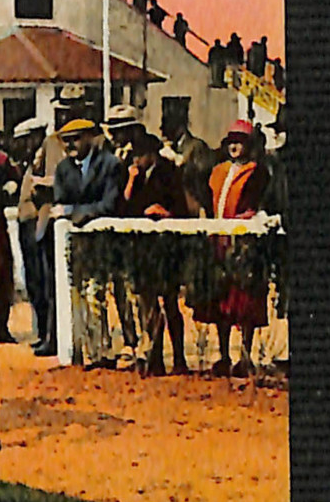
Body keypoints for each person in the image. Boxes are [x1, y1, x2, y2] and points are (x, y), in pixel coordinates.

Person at [49, 119, 128, 369]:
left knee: (104, 295)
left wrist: (74, 210)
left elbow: (110, 205)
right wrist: (72, 212)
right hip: (76, 245)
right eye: (66, 140)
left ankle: (110, 350)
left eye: (76, 138)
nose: (71, 144)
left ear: (90, 138)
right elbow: (58, 203)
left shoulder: (111, 165)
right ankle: (87, 351)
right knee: (78, 295)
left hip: (107, 242)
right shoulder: (63, 169)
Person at [195, 120, 271, 378]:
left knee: (244, 300)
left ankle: (246, 355)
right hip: (218, 242)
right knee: (220, 299)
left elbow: (257, 206)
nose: (235, 146)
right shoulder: (217, 171)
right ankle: (224, 354)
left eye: (240, 141)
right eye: (231, 141)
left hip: (244, 245)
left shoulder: (257, 172)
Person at [117, 128, 196, 375]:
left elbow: (182, 208)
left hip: (166, 247)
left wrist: (165, 213)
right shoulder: (135, 177)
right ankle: (156, 359)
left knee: (170, 302)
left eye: (139, 156)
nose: (136, 161)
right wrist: (130, 180)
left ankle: (180, 358)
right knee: (149, 304)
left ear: (150, 154)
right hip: (143, 247)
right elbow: (122, 207)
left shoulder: (169, 173)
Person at [11, 118, 55, 355]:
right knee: (33, 282)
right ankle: (42, 332)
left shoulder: (46, 154)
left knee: (42, 279)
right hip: (26, 223)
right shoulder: (31, 162)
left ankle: (49, 334)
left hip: (37, 223)